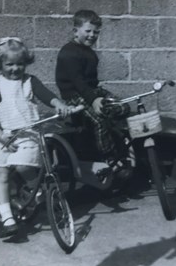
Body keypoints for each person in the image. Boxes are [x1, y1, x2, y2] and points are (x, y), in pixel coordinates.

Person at [0, 37, 73, 239]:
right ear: (0, 64)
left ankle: (34, 190)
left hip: (26, 133)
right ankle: (7, 219)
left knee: (24, 166)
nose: (15, 69)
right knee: (1, 173)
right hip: (0, 135)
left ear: (26, 63)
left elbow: (46, 95)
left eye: (20, 64)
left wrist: (58, 104)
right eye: (9, 64)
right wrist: (0, 134)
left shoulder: (30, 82)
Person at [55, 10, 131, 180]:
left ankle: (116, 142)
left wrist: (99, 95)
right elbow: (78, 82)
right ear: (76, 31)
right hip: (74, 94)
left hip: (90, 91)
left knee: (123, 107)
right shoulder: (69, 52)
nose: (92, 35)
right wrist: (94, 99)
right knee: (98, 120)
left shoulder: (89, 52)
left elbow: (91, 83)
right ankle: (109, 157)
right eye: (87, 31)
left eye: (96, 32)